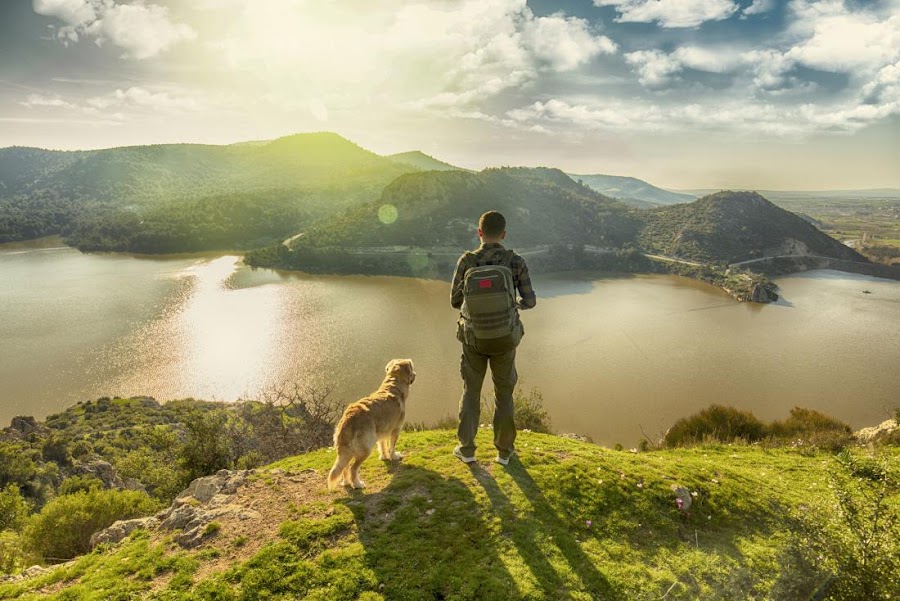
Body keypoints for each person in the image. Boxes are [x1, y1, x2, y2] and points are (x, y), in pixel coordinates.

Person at [450, 211, 536, 465]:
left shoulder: (467, 261)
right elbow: (530, 301)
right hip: (505, 339)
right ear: (504, 234)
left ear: (479, 232)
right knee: (504, 394)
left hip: (473, 339)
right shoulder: (515, 261)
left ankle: (467, 450)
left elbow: (455, 301)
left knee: (471, 392)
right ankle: (504, 452)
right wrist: (513, 303)